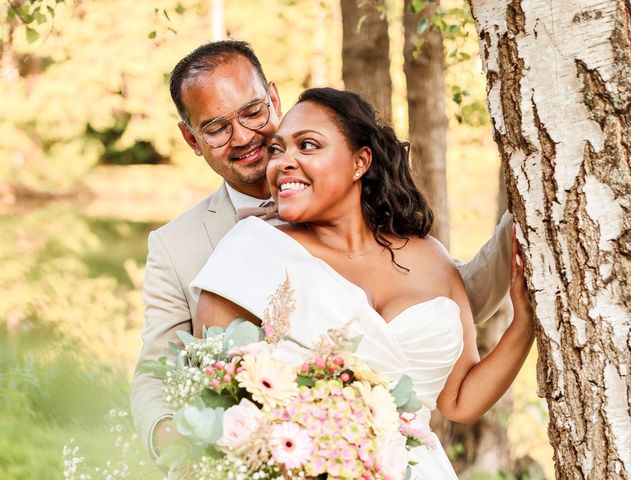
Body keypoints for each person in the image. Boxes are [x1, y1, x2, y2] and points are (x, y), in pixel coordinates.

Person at [130, 40, 514, 460]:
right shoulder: (187, 247)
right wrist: (190, 453)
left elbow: (451, 300)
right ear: (191, 137)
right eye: (218, 128)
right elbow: (162, 375)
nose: (243, 136)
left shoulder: (394, 233)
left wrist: (527, 214)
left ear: (272, 98)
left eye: (252, 112)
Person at [190, 88, 534, 478]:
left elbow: (459, 401)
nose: (284, 162)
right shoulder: (252, 253)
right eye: (277, 150)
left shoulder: (431, 257)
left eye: (307, 145)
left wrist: (525, 325)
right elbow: (218, 413)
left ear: (360, 161)